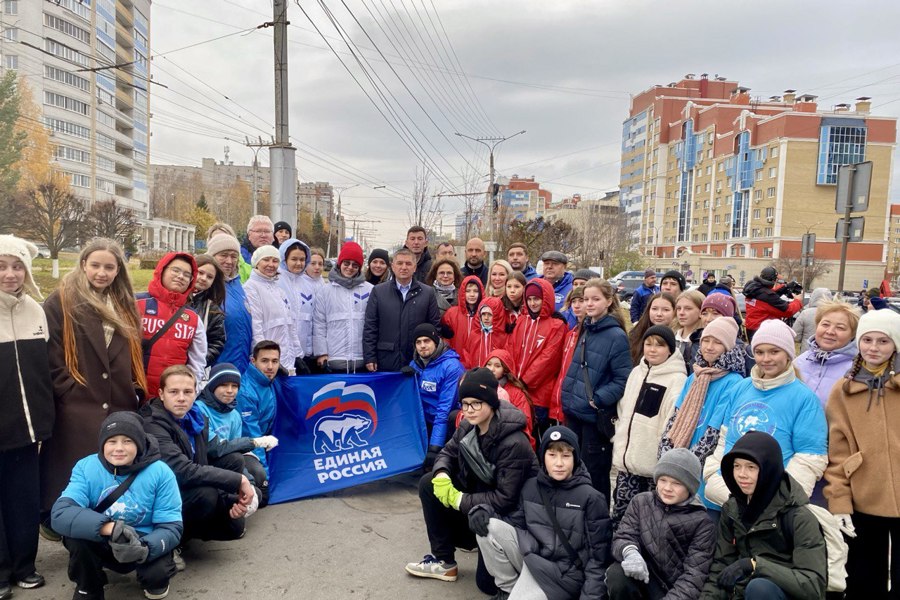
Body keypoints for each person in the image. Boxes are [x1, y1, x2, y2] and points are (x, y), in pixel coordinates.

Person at [42, 239, 147, 533]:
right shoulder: (61, 300)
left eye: (109, 267)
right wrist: (67, 388)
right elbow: (51, 352)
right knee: (71, 469)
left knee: (111, 474)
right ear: (83, 265)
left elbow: (131, 352)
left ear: (118, 271)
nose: (101, 272)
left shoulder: (125, 304)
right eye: (95, 265)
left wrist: (134, 389)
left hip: (117, 402)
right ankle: (59, 521)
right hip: (78, 402)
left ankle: (105, 529)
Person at [405, 368, 538, 595]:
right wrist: (442, 475)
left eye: (476, 403)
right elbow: (447, 452)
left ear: (491, 402)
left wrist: (458, 499)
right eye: (465, 403)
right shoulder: (468, 425)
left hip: (508, 518)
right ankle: (444, 561)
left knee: (486, 585)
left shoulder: (514, 442)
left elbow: (506, 499)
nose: (469, 410)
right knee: (428, 484)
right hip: (478, 506)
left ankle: (520, 569)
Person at [51, 413, 182, 600]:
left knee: (156, 578)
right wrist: (110, 528)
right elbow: (60, 513)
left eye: (128, 441)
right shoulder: (85, 467)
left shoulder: (161, 472)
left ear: (140, 442)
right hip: (103, 537)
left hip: (143, 538)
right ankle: (89, 586)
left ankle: (154, 575)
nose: (119, 448)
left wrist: (146, 547)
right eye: (111, 441)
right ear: (102, 444)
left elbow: (172, 526)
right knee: (75, 536)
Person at [475, 426, 611, 599]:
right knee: (488, 527)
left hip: (565, 577)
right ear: (543, 457)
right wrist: (484, 511)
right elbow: (514, 524)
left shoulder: (591, 497)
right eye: (552, 455)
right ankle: (508, 590)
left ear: (575, 458)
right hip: (534, 562)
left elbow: (599, 559)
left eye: (566, 456)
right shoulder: (531, 486)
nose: (559, 463)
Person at [704, 319, 827, 509]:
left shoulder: (804, 398)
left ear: (788, 354)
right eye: (760, 352)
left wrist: (779, 499)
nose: (766, 359)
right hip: (727, 495)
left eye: (774, 351)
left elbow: (809, 458)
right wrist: (714, 475)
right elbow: (726, 439)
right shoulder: (740, 388)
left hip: (772, 506)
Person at [825, 308, 900, 599]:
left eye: (883, 341)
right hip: (864, 498)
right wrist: (840, 500)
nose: (873, 348)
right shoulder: (844, 391)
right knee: (865, 580)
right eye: (867, 340)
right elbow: (838, 452)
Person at [700, 431, 827, 600]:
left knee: (759, 588)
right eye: (737, 466)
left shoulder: (798, 517)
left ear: (769, 469)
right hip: (743, 593)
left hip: (779, 594)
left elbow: (814, 586)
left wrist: (755, 566)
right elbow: (720, 569)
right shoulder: (732, 510)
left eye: (751, 467)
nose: (741, 474)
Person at [141, 366, 256, 547]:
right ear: (161, 394)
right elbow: (183, 471)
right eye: (174, 392)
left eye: (187, 392)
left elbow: (201, 462)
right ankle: (170, 543)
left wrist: (230, 500)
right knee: (207, 496)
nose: (181, 398)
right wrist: (238, 480)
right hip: (159, 498)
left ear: (195, 393)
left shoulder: (197, 418)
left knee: (234, 525)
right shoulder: (152, 424)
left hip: (187, 486)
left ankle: (193, 528)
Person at [0, 236, 53, 595]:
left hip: (28, 429)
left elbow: (44, 372)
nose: (10, 274)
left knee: (23, 500)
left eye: (17, 266)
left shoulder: (37, 311)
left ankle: (24, 566)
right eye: (2, 266)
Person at [659, 317, 745, 513]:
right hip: (681, 459)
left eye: (717, 342)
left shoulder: (733, 382)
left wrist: (686, 465)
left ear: (728, 346)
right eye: (706, 340)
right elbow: (676, 417)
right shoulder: (695, 376)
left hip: (702, 465)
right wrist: (667, 453)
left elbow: (713, 433)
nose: (709, 347)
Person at [608, 449, 716, 600]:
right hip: (644, 578)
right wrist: (630, 553)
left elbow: (694, 575)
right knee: (617, 574)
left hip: (673, 589)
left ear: (690, 487)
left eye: (676, 483)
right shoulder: (641, 501)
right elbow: (623, 536)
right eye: (663, 480)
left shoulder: (703, 523)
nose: (667, 488)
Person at [560, 278, 632, 500]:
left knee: (594, 476)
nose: (588, 304)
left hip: (593, 418)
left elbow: (622, 378)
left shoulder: (616, 336)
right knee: (573, 471)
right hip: (574, 412)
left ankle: (597, 521)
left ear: (609, 301)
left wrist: (598, 399)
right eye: (585, 299)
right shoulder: (587, 328)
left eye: (595, 299)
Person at [611, 326, 687, 521]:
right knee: (621, 517)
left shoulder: (677, 380)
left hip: (652, 470)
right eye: (648, 344)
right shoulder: (637, 372)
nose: (652, 349)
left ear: (670, 349)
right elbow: (623, 407)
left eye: (659, 345)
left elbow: (672, 423)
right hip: (627, 464)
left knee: (648, 521)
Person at [195, 363, 278, 508]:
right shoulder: (200, 409)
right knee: (235, 460)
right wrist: (254, 442)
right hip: (204, 465)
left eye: (234, 386)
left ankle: (239, 496)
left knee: (257, 476)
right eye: (224, 385)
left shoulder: (234, 415)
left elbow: (234, 449)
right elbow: (214, 449)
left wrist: (250, 483)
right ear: (213, 385)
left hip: (227, 462)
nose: (229, 391)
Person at [137, 252, 207, 396]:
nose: (181, 276)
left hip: (170, 400)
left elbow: (197, 362)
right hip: (135, 393)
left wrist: (189, 393)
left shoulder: (193, 318)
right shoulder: (136, 304)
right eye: (175, 270)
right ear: (162, 270)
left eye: (187, 275)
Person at [363, 248, 441, 372]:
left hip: (417, 361)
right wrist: (369, 357)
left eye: (408, 264)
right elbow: (370, 327)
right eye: (399, 263)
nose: (404, 267)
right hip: (385, 360)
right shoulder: (378, 291)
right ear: (392, 266)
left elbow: (435, 327)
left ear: (414, 267)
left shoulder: (427, 293)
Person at [511, 278, 568, 433]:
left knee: (536, 432)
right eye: (529, 299)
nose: (532, 303)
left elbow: (548, 359)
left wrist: (524, 381)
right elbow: (512, 349)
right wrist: (513, 378)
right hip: (518, 389)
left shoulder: (556, 325)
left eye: (536, 299)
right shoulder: (522, 321)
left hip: (539, 394)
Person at [408, 323, 465, 468]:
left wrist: (435, 446)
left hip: (445, 422)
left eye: (426, 341)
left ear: (436, 341)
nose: (422, 346)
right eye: (418, 342)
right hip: (424, 420)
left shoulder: (451, 367)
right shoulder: (414, 365)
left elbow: (444, 409)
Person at [313, 241, 373, 374]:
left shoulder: (370, 290)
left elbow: (374, 325)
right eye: (346, 263)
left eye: (355, 265)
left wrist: (372, 355)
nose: (350, 268)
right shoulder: (325, 291)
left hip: (361, 360)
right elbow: (319, 324)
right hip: (334, 360)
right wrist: (321, 352)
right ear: (340, 263)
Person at [237, 341, 282, 507]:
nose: (270, 366)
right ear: (253, 361)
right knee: (263, 497)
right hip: (243, 449)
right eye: (264, 361)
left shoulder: (268, 381)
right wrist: (266, 478)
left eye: (275, 361)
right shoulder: (246, 391)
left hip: (263, 442)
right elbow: (253, 438)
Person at [243, 245, 299, 373]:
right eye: (266, 260)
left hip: (285, 359)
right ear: (257, 263)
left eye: (275, 261)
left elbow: (290, 326)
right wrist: (265, 357)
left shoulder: (278, 290)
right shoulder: (251, 288)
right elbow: (256, 326)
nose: (271, 264)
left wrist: (297, 354)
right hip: (269, 364)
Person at [206, 233, 253, 374]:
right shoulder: (207, 287)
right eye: (224, 255)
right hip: (218, 367)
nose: (229, 261)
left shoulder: (238, 284)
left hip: (241, 363)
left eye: (234, 256)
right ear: (212, 256)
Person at [277, 238, 317, 371]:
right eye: (294, 259)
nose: (299, 263)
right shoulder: (275, 282)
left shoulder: (309, 285)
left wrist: (310, 351)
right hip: (280, 353)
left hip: (303, 353)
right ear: (284, 259)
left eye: (302, 259)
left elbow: (312, 321)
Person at [484, 349, 535, 449]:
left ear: (505, 370)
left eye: (497, 366)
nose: (491, 369)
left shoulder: (516, 393)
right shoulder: (480, 385)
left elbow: (525, 421)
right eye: (488, 364)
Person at [742, 266, 802, 340]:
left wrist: (784, 287)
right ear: (773, 280)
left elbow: (767, 294)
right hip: (764, 331)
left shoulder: (753, 290)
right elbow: (788, 311)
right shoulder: (768, 296)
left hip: (751, 328)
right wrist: (798, 301)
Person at [188, 255, 226, 368]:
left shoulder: (213, 310)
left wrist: (197, 363)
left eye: (209, 277)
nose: (204, 278)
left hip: (193, 369)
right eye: (200, 272)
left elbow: (216, 343)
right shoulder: (174, 299)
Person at [441, 275, 484, 368]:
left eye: (476, 291)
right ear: (462, 293)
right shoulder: (451, 314)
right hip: (455, 363)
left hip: (478, 365)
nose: (472, 294)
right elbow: (445, 341)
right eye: (468, 291)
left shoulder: (484, 315)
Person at [628, 293, 676, 365]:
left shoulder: (679, 338)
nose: (659, 314)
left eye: (666, 310)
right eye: (654, 309)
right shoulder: (636, 334)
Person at [468, 296, 508, 370]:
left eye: (490, 314)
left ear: (497, 316)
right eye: (483, 314)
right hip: (475, 376)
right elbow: (467, 355)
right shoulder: (474, 335)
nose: (486, 318)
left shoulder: (503, 337)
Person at [793, 288, 833, 353]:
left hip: (807, 352)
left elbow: (796, 335)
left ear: (813, 297)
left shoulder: (805, 313)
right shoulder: (834, 314)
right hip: (828, 353)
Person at [674, 289, 705, 367]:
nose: (681, 313)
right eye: (678, 308)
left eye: (688, 308)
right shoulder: (671, 335)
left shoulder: (705, 340)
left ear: (701, 312)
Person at [240, 215, 274, 280]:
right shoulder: (241, 258)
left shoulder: (280, 257)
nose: (263, 235)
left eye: (267, 231)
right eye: (258, 231)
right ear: (249, 234)